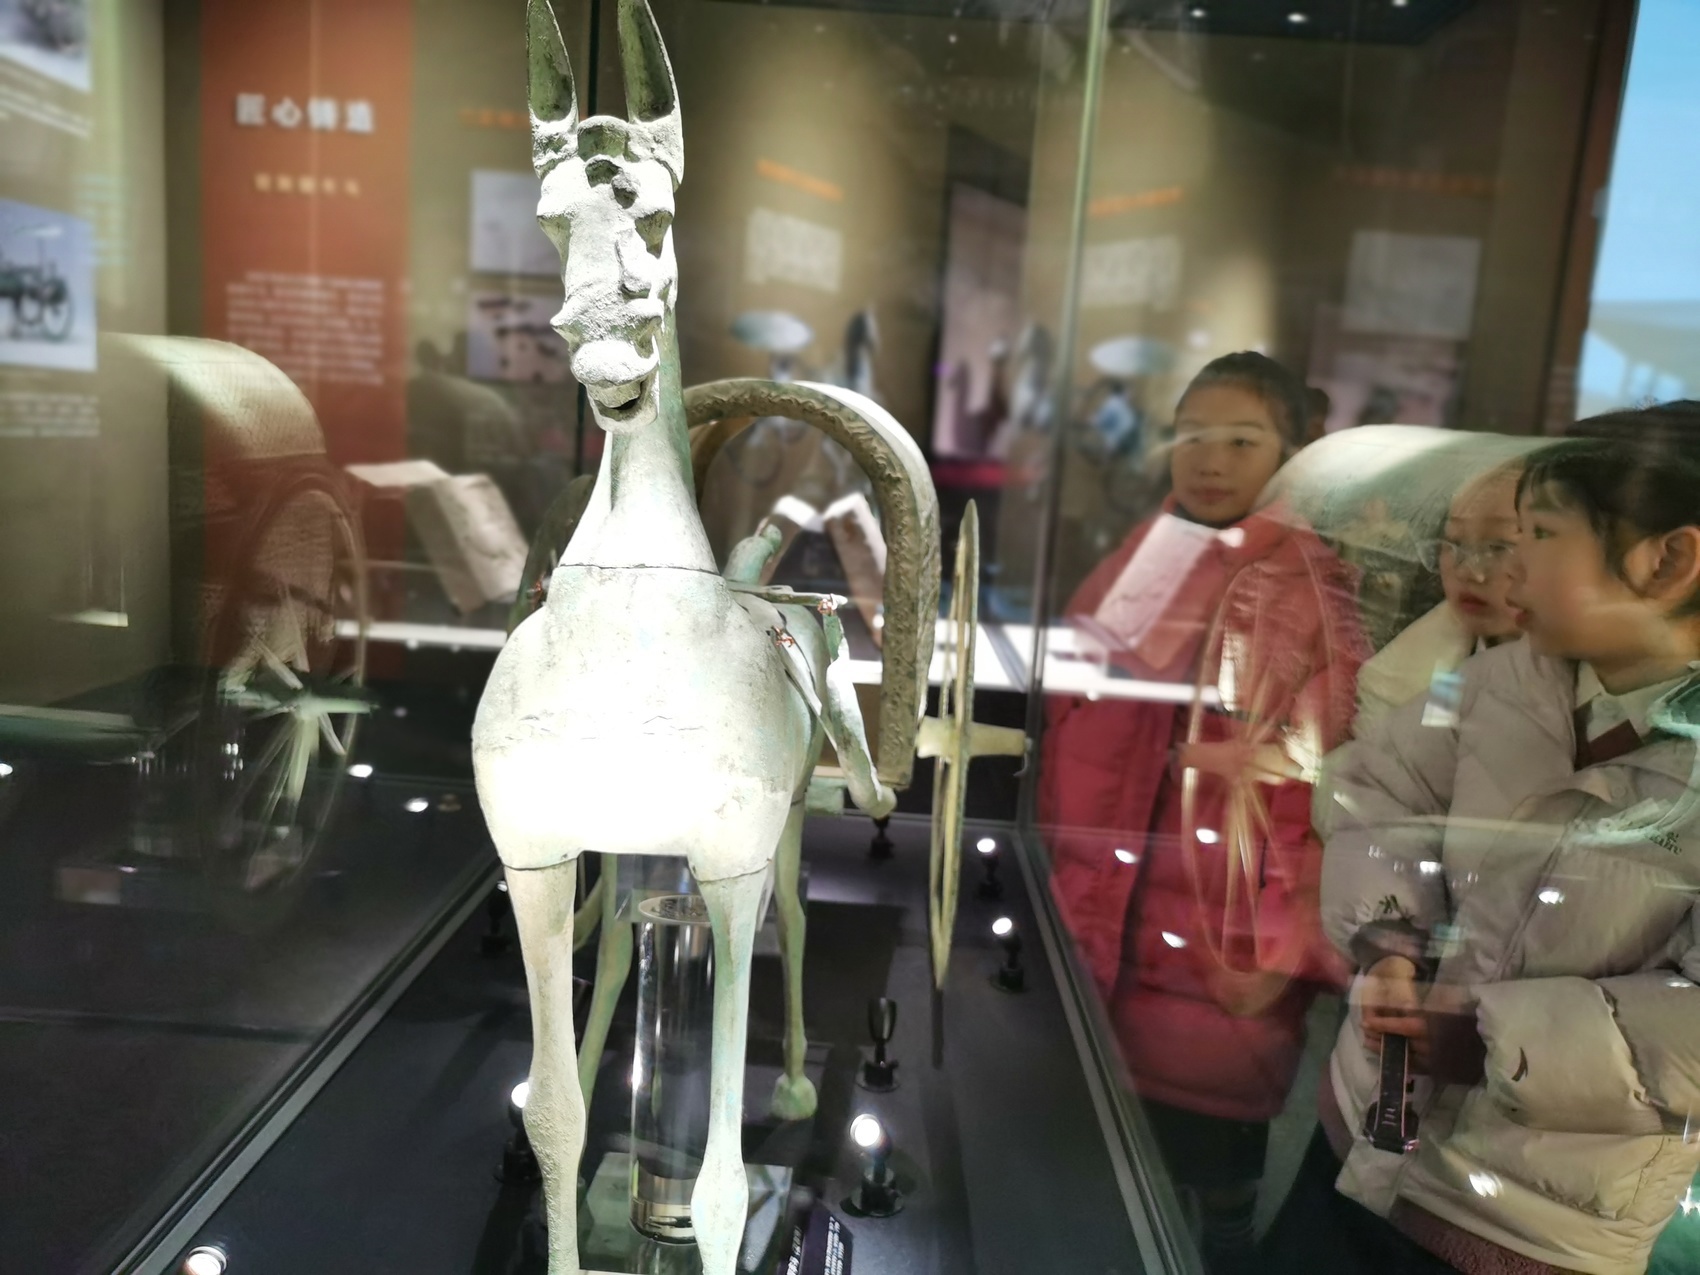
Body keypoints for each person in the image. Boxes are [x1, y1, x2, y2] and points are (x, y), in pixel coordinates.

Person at [1267, 422, 1700, 1275]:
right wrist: (1389, 937)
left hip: (1530, 1221)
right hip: (1368, 1132)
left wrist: (1499, 1042)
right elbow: (1379, 794)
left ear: (1668, 560)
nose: (1509, 569)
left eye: (1540, 535)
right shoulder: (1499, 681)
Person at [1041, 352, 1368, 1274]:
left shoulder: (1307, 587)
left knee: (1215, 1165)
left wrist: (1271, 941)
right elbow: (1073, 716)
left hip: (1216, 942)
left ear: (1292, 455)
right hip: (1106, 915)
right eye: (1192, 437)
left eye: (1242, 441)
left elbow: (1321, 788)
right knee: (1102, 1161)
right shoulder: (1146, 555)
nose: (1210, 459)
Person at [1351, 460, 1524, 737]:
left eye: (1500, 547)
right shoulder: (1446, 664)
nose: (1469, 572)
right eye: (1454, 542)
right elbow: (1434, 739)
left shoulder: (1588, 676)